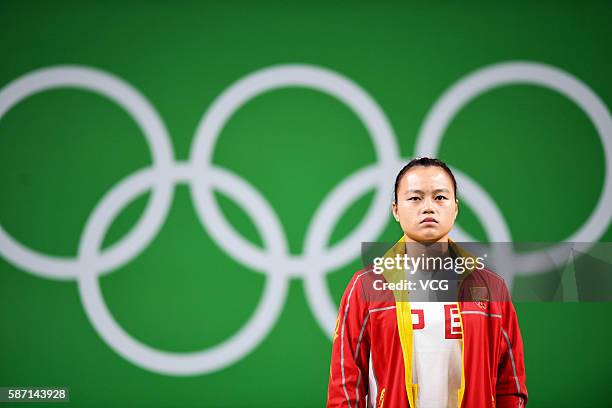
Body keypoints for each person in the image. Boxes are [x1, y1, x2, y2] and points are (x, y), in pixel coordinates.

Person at [326, 157, 528, 408]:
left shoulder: (491, 288)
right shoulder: (366, 286)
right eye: (415, 198)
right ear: (396, 210)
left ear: (455, 208)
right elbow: (345, 385)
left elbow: (511, 385)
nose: (428, 207)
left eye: (440, 197)